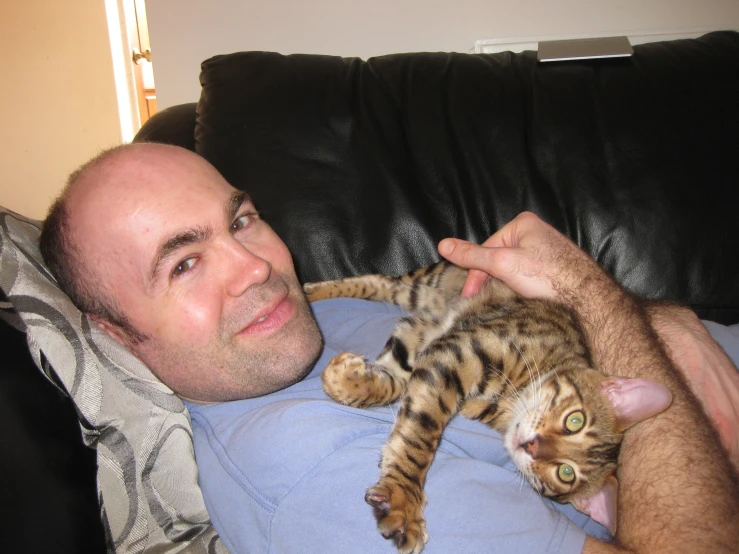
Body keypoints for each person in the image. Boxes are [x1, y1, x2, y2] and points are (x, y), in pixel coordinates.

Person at [40, 142, 739, 553]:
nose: (256, 266)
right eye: (183, 263)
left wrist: (662, 323)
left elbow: (555, 331)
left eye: (241, 220)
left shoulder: (310, 314)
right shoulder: (315, 477)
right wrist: (595, 296)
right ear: (117, 334)